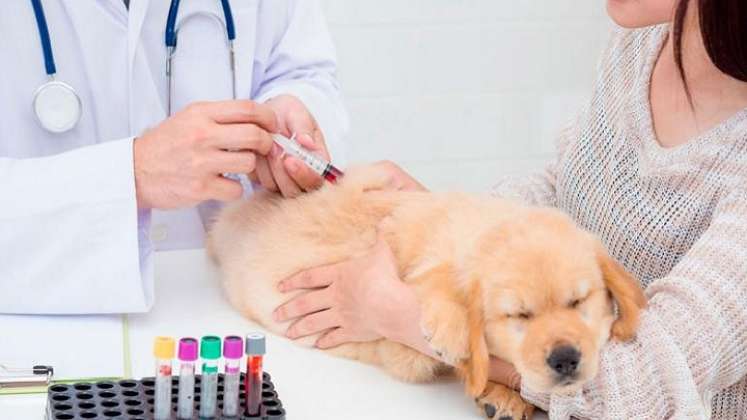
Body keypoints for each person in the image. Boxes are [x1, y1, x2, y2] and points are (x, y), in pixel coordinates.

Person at [273, 0, 747, 417]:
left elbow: (639, 391)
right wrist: (447, 217)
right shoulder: (641, 45)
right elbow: (568, 186)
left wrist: (402, 318)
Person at [0, 0, 347, 313]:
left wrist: (291, 106)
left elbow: (303, 69)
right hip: (40, 319)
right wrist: (133, 175)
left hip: (227, 300)